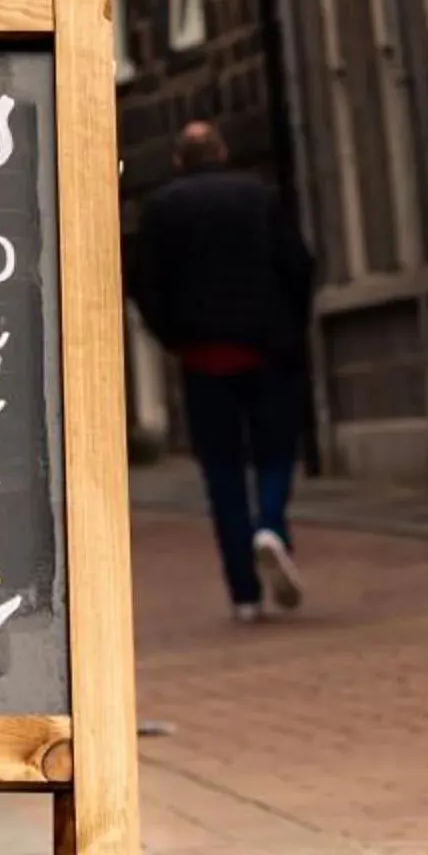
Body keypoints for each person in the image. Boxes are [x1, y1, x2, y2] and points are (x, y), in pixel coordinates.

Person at [128, 121, 314, 622]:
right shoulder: (260, 196)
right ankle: (270, 524)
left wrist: (174, 337)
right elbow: (297, 265)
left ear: (178, 160)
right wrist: (290, 329)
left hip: (203, 356)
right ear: (224, 151)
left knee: (222, 472)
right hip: (266, 350)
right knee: (275, 454)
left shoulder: (161, 210)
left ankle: (245, 595)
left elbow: (146, 285)